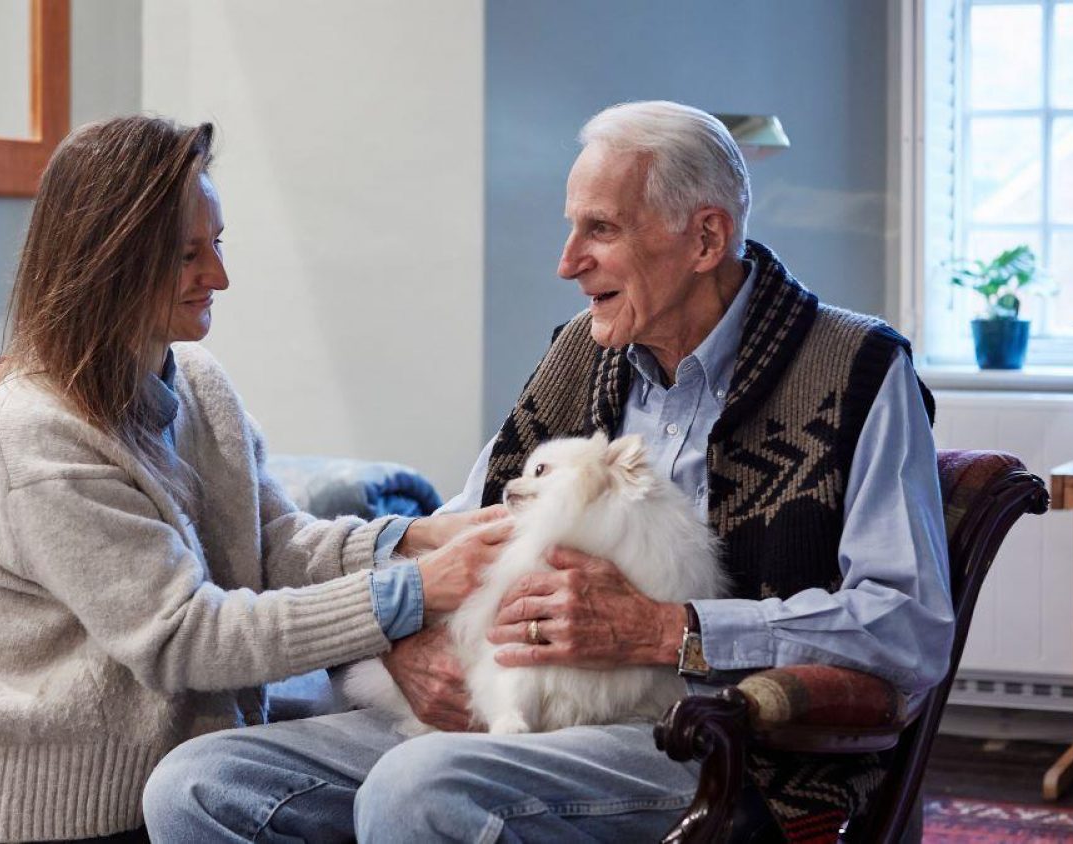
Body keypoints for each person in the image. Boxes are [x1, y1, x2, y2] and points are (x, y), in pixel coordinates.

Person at [143, 100, 956, 842]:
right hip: (506, 716)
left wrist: (670, 631)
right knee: (202, 783)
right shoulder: (581, 353)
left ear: (706, 239)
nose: (568, 262)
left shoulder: (852, 368)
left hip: (718, 744)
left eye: (600, 230)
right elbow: (460, 532)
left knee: (422, 790)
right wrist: (402, 650)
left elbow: (906, 628)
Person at [0, 115, 507, 844]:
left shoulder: (197, 381)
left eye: (217, 244)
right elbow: (186, 637)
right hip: (46, 807)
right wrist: (413, 590)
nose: (218, 276)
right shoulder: (35, 433)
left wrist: (411, 538)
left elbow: (275, 540)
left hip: (169, 753)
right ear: (111, 262)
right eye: (189, 255)